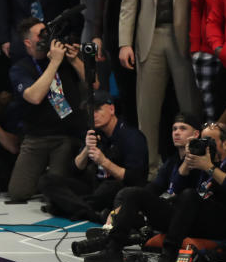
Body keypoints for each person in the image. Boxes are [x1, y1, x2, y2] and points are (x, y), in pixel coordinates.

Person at [119, 0, 213, 170]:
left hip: (186, 36)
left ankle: (195, 167)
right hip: (150, 35)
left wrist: (204, 39)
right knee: (146, 112)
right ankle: (148, 169)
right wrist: (125, 41)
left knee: (191, 109)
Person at [83, 121, 226, 262]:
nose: (205, 144)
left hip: (217, 223)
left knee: (189, 195)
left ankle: (169, 255)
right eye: (203, 140)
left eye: (210, 141)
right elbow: (174, 187)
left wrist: (209, 168)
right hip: (187, 218)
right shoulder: (201, 159)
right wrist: (187, 163)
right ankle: (113, 249)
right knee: (132, 193)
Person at [7, 17, 88, 203]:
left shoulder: (66, 59)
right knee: (18, 193)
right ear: (28, 42)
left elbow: (95, 84)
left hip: (65, 136)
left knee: (54, 191)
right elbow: (34, 97)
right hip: (36, 137)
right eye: (40, 34)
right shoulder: (20, 68)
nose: (46, 37)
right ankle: (40, 175)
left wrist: (75, 61)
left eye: (47, 32)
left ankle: (48, 177)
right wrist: (54, 63)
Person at [39, 90, 148, 222]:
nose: (93, 115)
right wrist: (86, 149)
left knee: (109, 187)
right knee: (47, 181)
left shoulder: (132, 137)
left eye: (97, 110)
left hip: (119, 190)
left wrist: (104, 162)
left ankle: (66, 206)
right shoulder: (95, 133)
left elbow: (135, 179)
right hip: (95, 188)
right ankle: (91, 213)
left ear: (112, 109)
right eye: (90, 111)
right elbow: (74, 170)